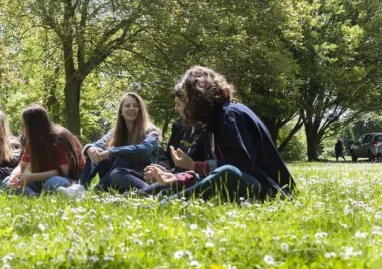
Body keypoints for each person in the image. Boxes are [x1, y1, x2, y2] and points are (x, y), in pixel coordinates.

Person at [160, 66, 296, 202]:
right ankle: (157, 197)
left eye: (185, 98)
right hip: (244, 184)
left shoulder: (231, 115)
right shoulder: (212, 121)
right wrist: (182, 176)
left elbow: (241, 164)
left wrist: (195, 166)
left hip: (270, 190)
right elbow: (212, 170)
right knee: (168, 186)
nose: (180, 107)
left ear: (197, 97)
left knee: (227, 172)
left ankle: (167, 204)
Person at [59, 92, 160, 197]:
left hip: (139, 176)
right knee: (96, 152)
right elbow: (96, 144)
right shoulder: (116, 132)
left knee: (125, 157)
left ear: (140, 111)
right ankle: (80, 187)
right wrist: (89, 148)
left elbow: (145, 148)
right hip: (115, 174)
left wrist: (113, 151)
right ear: (121, 111)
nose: (131, 108)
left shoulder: (151, 131)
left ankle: (99, 189)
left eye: (135, 106)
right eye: (127, 106)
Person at [4, 105, 84, 196]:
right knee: (7, 182)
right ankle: (36, 197)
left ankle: (37, 195)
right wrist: (14, 176)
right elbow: (22, 166)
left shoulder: (58, 137)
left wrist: (30, 177)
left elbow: (63, 171)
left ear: (34, 126)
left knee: (53, 183)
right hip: (39, 182)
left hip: (65, 179)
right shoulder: (32, 142)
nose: (21, 129)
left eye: (24, 125)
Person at [137, 118, 209, 197]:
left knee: (155, 193)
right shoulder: (179, 124)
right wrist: (163, 170)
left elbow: (211, 167)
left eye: (179, 105)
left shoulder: (209, 128)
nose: (176, 108)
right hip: (174, 174)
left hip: (194, 178)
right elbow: (167, 156)